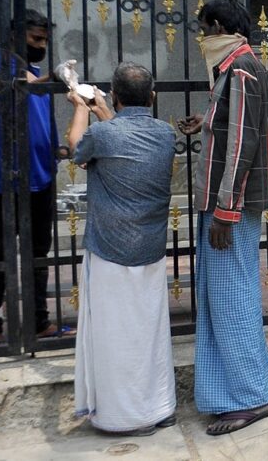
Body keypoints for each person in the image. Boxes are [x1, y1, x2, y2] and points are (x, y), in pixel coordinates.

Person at [178, 0, 268, 436]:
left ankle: (251, 398)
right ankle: (244, 389)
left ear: (218, 26)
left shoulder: (240, 68)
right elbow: (234, 126)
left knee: (231, 297)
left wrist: (225, 210)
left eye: (204, 28)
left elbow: (243, 144)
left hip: (229, 207)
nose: (202, 37)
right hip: (227, 203)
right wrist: (207, 121)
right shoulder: (239, 66)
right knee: (224, 297)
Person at [68, 63, 176, 436]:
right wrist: (103, 109)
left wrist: (82, 106)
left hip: (110, 249)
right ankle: (157, 407)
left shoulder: (103, 134)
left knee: (114, 336)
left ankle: (119, 416)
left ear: (115, 95)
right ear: (153, 96)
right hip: (149, 249)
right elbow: (127, 135)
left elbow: (76, 150)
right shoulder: (165, 134)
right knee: (148, 334)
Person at [0, 8, 69, 345]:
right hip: (7, 179)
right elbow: (19, 87)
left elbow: (41, 118)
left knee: (38, 252)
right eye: (35, 39)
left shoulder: (34, 71)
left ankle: (37, 321)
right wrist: (53, 79)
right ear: (16, 36)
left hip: (40, 177)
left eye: (45, 40)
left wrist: (56, 149)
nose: (41, 45)